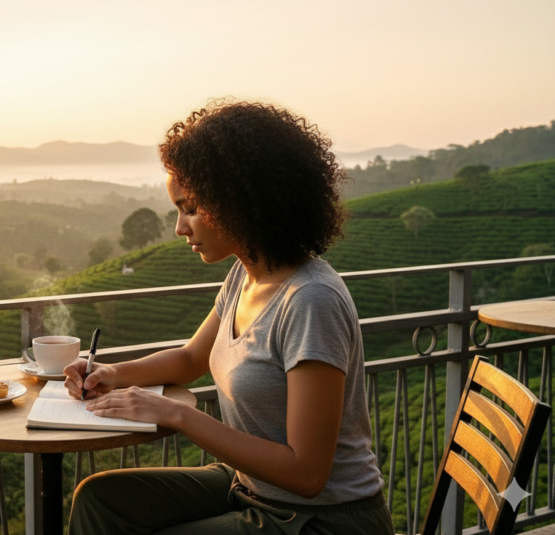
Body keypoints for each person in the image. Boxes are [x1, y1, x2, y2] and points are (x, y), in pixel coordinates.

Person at [63, 99, 393, 534]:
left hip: (323, 519)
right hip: (253, 489)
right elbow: (190, 360)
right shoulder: (245, 274)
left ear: (241, 198)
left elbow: (307, 474)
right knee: (99, 500)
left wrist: (177, 414)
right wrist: (111, 372)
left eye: (191, 208)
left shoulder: (311, 300)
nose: (181, 227)